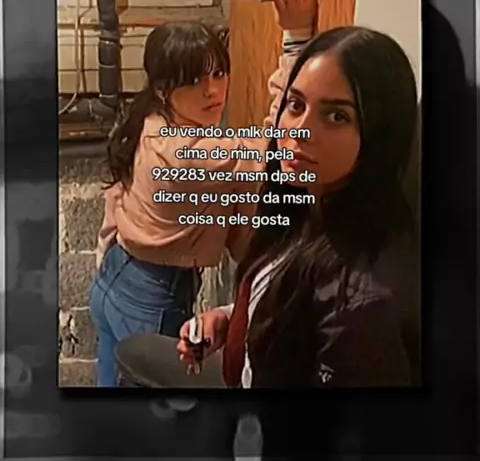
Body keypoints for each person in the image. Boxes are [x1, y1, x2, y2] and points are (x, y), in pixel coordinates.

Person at [89, 0, 318, 387]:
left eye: (218, 73)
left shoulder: (149, 118)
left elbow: (116, 198)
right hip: (153, 298)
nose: (213, 91)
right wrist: (296, 36)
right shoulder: (187, 152)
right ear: (164, 89)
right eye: (194, 81)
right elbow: (277, 145)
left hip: (117, 276)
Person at [177, 25, 419, 388]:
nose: (299, 131)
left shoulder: (363, 304)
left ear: (379, 135)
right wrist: (233, 320)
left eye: (336, 116)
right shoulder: (306, 203)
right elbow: (295, 309)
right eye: (296, 105)